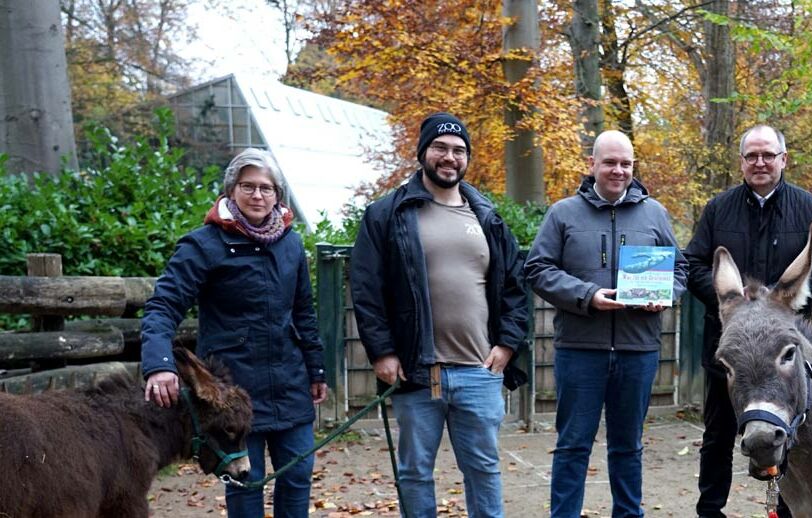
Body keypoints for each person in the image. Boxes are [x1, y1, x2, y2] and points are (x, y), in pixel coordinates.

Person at [350, 113, 530, 518]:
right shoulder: (387, 214)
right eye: (440, 148)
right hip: (417, 372)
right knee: (414, 472)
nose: (449, 157)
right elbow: (366, 289)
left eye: (459, 150)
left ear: (467, 159)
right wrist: (382, 352)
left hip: (478, 371)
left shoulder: (487, 216)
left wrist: (506, 345)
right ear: (423, 153)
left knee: (483, 469)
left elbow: (516, 286)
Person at [141, 148, 327, 518]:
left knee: (299, 474)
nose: (258, 196)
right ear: (231, 191)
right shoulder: (203, 245)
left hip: (290, 384)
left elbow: (304, 312)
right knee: (245, 482)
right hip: (233, 393)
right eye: (248, 187)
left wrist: (316, 369)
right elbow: (163, 306)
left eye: (266, 188)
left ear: (278, 194)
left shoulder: (290, 243)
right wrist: (159, 364)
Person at [525, 130, 688, 518]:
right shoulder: (563, 213)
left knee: (628, 446)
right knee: (572, 445)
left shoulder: (655, 213)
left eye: (626, 163)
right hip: (580, 350)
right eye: (610, 162)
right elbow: (537, 268)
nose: (618, 170)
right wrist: (587, 296)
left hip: (638, 350)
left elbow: (680, 268)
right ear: (592, 164)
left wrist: (666, 295)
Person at [683, 124, 812, 518]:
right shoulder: (719, 208)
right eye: (752, 156)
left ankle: (785, 511)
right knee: (717, 436)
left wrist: (778, 303)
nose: (760, 162)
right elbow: (695, 263)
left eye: (768, 154)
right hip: (731, 353)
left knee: (789, 436)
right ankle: (710, 510)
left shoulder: (808, 207)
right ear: (742, 162)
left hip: (782, 359)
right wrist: (735, 305)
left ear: (783, 159)